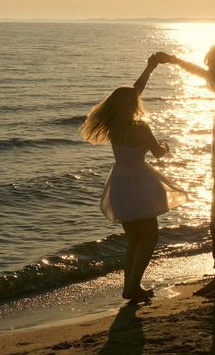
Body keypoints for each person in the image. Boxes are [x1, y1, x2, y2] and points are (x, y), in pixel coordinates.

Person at [81, 55, 187, 302]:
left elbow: (134, 91)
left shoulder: (113, 123)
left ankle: (130, 287)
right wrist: (166, 145)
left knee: (133, 240)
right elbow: (158, 153)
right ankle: (133, 286)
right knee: (149, 237)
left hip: (120, 181)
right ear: (132, 104)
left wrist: (149, 68)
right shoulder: (140, 127)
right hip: (140, 182)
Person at [155, 44, 215, 297]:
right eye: (209, 64)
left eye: (213, 65)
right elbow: (199, 72)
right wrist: (174, 60)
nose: (209, 70)